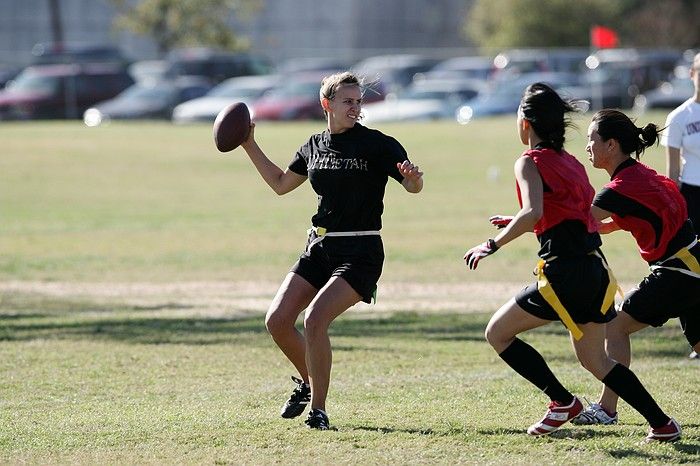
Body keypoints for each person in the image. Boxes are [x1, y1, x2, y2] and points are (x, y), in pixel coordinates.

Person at [463, 83, 680, 442]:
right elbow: (567, 215)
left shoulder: (528, 161)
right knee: (597, 362)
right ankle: (662, 423)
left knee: (497, 333)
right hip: (596, 270)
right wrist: (521, 220)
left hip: (564, 272)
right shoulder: (572, 162)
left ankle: (562, 401)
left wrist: (492, 243)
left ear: (526, 124)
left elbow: (533, 212)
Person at [239, 71, 423, 430]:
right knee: (276, 321)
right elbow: (280, 185)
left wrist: (414, 179)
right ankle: (308, 382)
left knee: (315, 319)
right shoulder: (313, 145)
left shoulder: (378, 144)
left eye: (358, 102)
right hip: (320, 247)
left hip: (361, 251)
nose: (356, 108)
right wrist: (248, 144)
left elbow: (412, 185)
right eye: (347, 102)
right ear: (328, 104)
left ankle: (319, 411)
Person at [571, 109, 699, 429]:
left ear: (611, 145)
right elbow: (625, 220)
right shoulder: (640, 174)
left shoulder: (620, 187)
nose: (587, 147)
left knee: (616, 325)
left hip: (679, 270)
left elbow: (578, 222)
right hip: (691, 265)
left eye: (591, 140)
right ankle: (608, 408)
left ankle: (607, 408)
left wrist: (530, 221)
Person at [660, 51, 700, 360]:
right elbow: (672, 172)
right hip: (691, 197)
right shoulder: (679, 117)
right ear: (692, 74)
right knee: (690, 266)